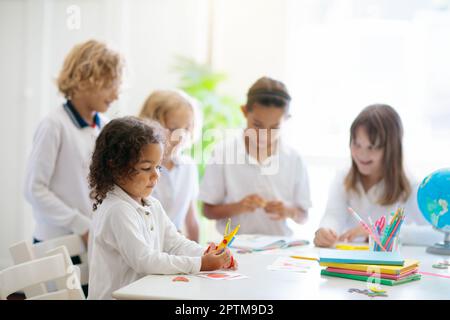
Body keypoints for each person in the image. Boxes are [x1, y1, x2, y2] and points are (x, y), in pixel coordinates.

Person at [87, 116, 235, 300]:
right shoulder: (117, 210)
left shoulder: (151, 204)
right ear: (115, 167)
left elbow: (174, 242)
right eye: (147, 167)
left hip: (145, 294)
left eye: (158, 167)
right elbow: (145, 261)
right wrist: (200, 264)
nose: (156, 175)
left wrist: (206, 254)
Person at [24, 39, 122, 247]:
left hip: (93, 242)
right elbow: (35, 190)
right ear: (85, 79)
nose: (116, 95)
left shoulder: (105, 128)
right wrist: (82, 225)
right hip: (56, 245)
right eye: (109, 85)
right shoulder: (54, 125)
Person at [314, 104, 441, 248]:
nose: (362, 154)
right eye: (357, 144)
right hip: (351, 264)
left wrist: (381, 232)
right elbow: (333, 216)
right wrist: (326, 231)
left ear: (391, 149)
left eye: (372, 147)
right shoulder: (343, 178)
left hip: (390, 267)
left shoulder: (409, 187)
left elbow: (437, 234)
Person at [199, 76, 312, 236]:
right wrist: (239, 207)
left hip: (280, 248)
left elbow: (304, 216)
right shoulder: (223, 152)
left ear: (286, 120)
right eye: (257, 125)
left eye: (274, 127)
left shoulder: (294, 158)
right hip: (236, 248)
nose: (264, 135)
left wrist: (289, 211)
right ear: (245, 112)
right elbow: (208, 210)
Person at [139, 90, 200, 241]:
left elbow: (191, 222)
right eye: (173, 129)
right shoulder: (138, 168)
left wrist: (202, 260)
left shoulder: (188, 167)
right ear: (150, 125)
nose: (181, 137)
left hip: (176, 252)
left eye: (186, 129)